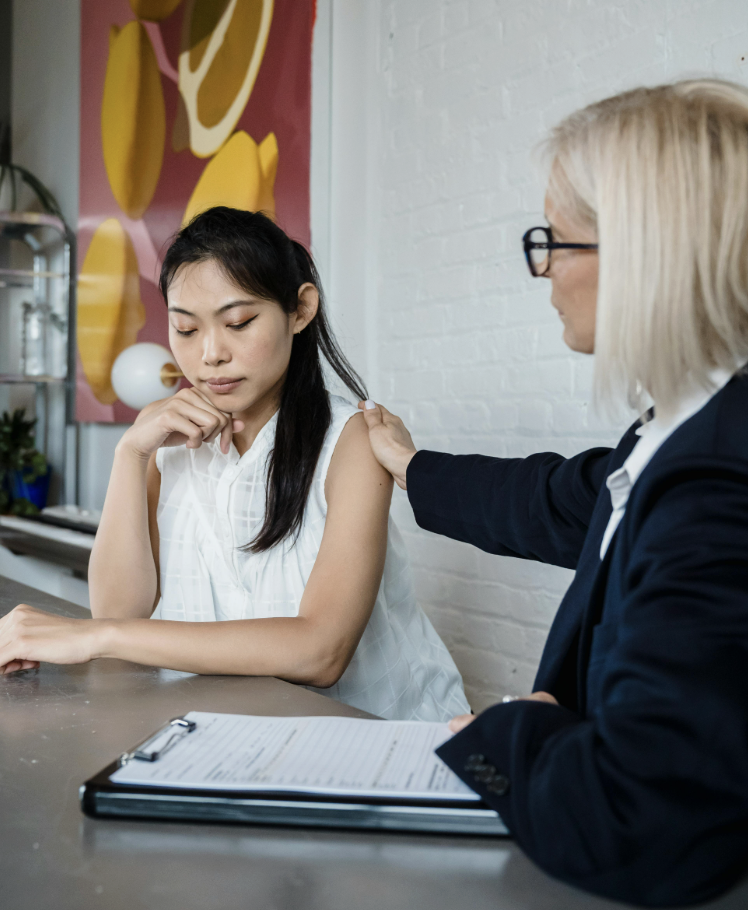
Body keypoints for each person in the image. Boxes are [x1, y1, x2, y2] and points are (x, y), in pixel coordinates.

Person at [360, 80, 748, 907]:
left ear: (644, 255)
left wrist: (511, 729)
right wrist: (410, 465)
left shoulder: (718, 478)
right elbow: (563, 499)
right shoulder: (681, 428)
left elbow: (642, 821)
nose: (544, 267)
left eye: (556, 241)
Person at [0, 207, 469, 722]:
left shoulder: (352, 441)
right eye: (185, 328)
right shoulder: (164, 438)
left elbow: (321, 651)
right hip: (228, 734)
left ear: (300, 309)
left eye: (239, 322)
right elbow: (119, 609)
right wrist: (130, 455)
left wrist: (95, 637)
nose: (210, 354)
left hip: (373, 738)